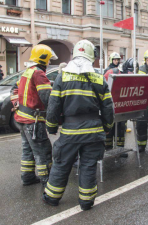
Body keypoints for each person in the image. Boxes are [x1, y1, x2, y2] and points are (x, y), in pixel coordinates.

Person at [43, 40, 114, 210]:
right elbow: (108, 108)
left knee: (62, 163)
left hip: (70, 131)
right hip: (94, 130)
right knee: (88, 166)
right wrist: (107, 127)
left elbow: (53, 106)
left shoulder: (63, 76)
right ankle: (86, 201)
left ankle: (52, 197)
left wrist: (51, 127)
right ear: (91, 57)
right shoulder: (99, 78)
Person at [10, 44, 56, 186]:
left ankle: (28, 177)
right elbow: (47, 97)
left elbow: (14, 89)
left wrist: (16, 103)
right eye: (49, 60)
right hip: (33, 121)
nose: (49, 62)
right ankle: (47, 181)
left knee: (28, 150)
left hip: (22, 120)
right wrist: (55, 117)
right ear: (43, 59)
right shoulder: (39, 74)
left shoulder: (27, 72)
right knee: (43, 151)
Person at [104, 58, 138, 154]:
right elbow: (103, 85)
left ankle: (120, 149)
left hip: (122, 106)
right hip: (110, 106)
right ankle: (108, 147)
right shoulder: (112, 72)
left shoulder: (129, 77)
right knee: (109, 127)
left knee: (121, 128)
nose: (131, 74)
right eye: (130, 71)